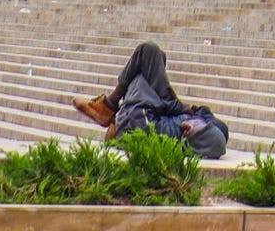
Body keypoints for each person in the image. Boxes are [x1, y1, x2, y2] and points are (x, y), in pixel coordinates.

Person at [71, 42, 228, 157]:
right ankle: (112, 113)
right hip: (140, 117)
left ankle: (109, 107)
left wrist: (178, 107)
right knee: (150, 62)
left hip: (139, 119)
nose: (194, 124)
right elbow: (217, 135)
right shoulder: (183, 127)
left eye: (198, 127)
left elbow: (216, 142)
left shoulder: (175, 130)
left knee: (150, 53)